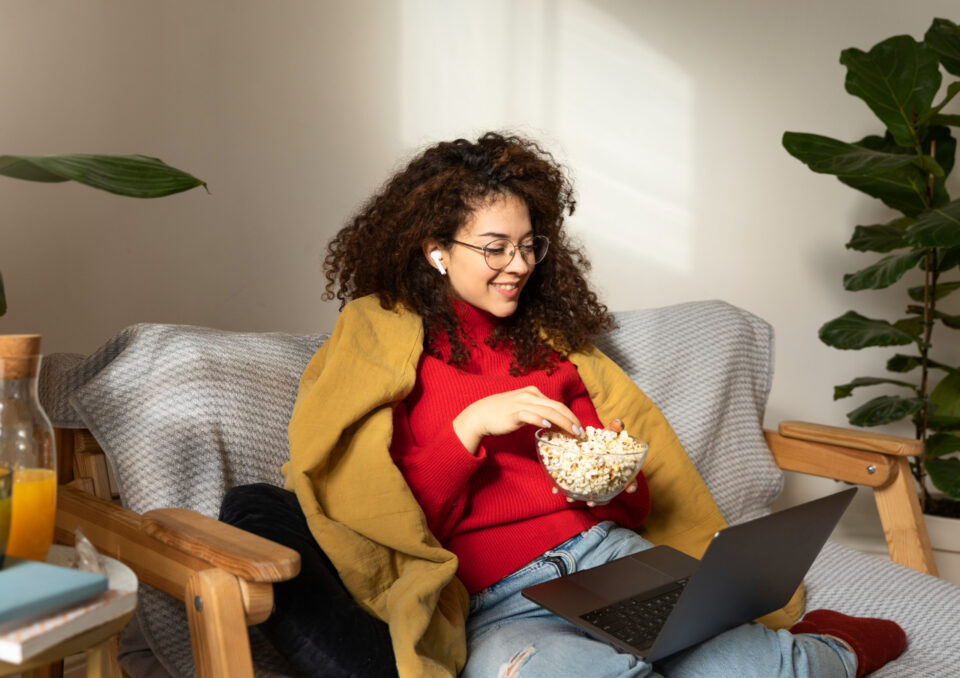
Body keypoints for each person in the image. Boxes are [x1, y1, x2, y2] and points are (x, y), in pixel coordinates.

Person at [273, 132, 906, 678]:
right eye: (494, 247)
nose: (516, 266)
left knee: (772, 671)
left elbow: (631, 509)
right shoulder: (384, 345)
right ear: (435, 250)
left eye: (528, 246)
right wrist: (470, 428)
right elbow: (391, 523)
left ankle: (830, 646)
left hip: (604, 561)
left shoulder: (552, 350)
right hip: (493, 600)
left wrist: (611, 481)